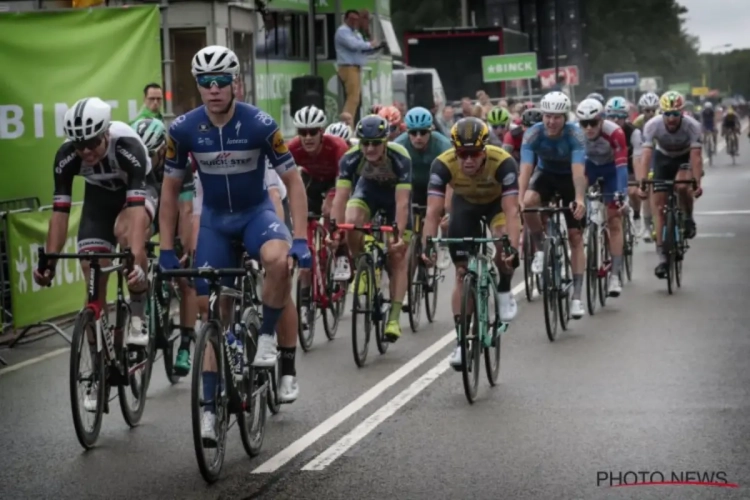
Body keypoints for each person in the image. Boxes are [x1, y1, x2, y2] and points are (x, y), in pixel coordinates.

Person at [159, 45, 311, 445]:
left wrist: (299, 237)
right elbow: (171, 189)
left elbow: (292, 181)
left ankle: (266, 336)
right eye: (205, 83)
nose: (213, 89)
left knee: (278, 263)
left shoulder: (260, 123)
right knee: (214, 315)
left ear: (234, 83)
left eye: (221, 81)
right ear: (198, 87)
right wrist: (165, 248)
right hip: (215, 224)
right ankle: (209, 410)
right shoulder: (183, 130)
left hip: (255, 214)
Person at [34, 97, 155, 411]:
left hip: (138, 194)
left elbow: (137, 213)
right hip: (99, 200)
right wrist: (48, 260)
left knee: (126, 236)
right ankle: (97, 370)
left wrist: (136, 259)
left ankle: (138, 314)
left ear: (105, 133)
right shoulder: (66, 157)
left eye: (91, 143)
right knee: (90, 265)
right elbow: (60, 214)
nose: (86, 151)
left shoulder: (127, 146)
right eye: (79, 145)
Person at [422, 117, 521, 368]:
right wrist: (428, 246)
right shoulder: (442, 164)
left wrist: (513, 248)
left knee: (501, 243)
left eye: (474, 154)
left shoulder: (503, 163)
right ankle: (461, 342)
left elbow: (511, 212)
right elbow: (432, 211)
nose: (467, 160)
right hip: (465, 206)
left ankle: (504, 289)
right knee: (461, 272)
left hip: (496, 206)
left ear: (484, 150)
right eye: (462, 154)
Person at [329, 115, 412, 341]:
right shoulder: (350, 158)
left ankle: (394, 318)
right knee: (351, 217)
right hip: (369, 192)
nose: (370, 148)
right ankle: (361, 264)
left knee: (398, 256)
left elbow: (403, 202)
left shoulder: (400, 157)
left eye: (376, 143)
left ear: (385, 141)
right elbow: (341, 197)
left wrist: (398, 236)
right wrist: (335, 231)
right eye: (365, 143)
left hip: (395, 198)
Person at [132, 118, 197, 374]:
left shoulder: (179, 163)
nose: (145, 159)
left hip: (177, 210)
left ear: (161, 150)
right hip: (150, 205)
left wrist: (184, 245)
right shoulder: (136, 162)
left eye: (151, 154)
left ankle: (185, 344)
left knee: (186, 276)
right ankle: (143, 299)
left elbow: (187, 209)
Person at [518, 91, 587, 319]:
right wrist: (519, 197)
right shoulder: (533, 133)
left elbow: (578, 171)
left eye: (557, 117)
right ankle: (539, 249)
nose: (551, 121)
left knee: (576, 237)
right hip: (545, 175)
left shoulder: (575, 135)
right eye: (547, 116)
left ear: (565, 117)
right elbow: (526, 169)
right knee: (528, 202)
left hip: (569, 178)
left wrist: (579, 198)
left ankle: (577, 297)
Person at [288, 105, 349, 328]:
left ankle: (341, 252)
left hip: (336, 181)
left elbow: (344, 183)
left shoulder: (337, 146)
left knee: (329, 210)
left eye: (313, 132)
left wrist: (333, 202)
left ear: (321, 131)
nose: (308, 137)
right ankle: (304, 305)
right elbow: (280, 177)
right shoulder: (293, 147)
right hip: (313, 183)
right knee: (304, 237)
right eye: (302, 132)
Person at [637, 91, 702, 280]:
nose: (671, 118)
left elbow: (696, 158)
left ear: (683, 112)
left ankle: (688, 217)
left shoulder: (692, 126)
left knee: (682, 186)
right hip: (663, 158)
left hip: (684, 157)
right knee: (658, 206)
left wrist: (697, 183)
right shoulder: (652, 125)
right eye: (667, 114)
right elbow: (646, 156)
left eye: (676, 114)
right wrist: (642, 183)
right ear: (661, 112)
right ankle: (663, 258)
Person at [576, 99, 629, 297]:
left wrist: (621, 194)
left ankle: (615, 275)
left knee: (614, 218)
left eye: (593, 123)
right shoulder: (575, 134)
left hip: (611, 171)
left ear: (602, 120)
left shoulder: (615, 132)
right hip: (589, 167)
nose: (588, 128)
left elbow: (622, 166)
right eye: (584, 123)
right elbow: (574, 166)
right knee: (577, 205)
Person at [394, 107, 452, 269]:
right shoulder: (399, 145)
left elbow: (451, 181)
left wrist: (447, 211)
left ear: (431, 130)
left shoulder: (443, 145)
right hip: (412, 187)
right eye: (413, 133)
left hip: (437, 186)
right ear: (407, 132)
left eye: (423, 132)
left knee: (443, 215)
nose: (418, 137)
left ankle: (443, 243)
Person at [605, 97, 644, 236]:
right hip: (609, 165)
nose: (616, 120)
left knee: (633, 191)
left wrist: (640, 183)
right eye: (612, 116)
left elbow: (638, 159)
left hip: (629, 164)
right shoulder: (602, 130)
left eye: (620, 116)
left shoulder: (634, 132)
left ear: (626, 117)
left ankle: (637, 215)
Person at [335, 10, 380, 118]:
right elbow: (354, 45)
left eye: (356, 19)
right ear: (345, 19)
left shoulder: (356, 33)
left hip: (356, 68)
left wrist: (372, 43)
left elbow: (362, 48)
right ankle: (346, 124)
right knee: (353, 98)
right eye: (351, 19)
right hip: (348, 67)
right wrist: (370, 44)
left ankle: (351, 123)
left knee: (356, 99)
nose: (354, 22)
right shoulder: (342, 31)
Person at [633, 92, 660, 242]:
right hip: (647, 155)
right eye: (646, 110)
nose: (650, 113)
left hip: (662, 153)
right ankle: (647, 226)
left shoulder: (663, 120)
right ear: (642, 111)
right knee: (647, 189)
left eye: (653, 110)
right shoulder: (637, 123)